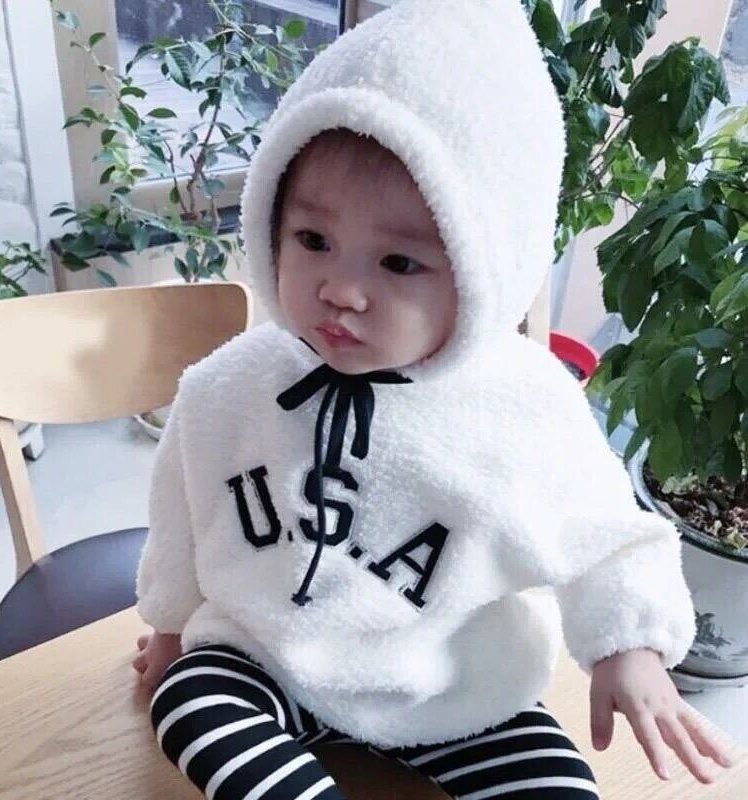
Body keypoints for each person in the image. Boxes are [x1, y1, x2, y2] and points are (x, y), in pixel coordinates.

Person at [132, 0, 737, 797]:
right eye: (313, 241)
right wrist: (170, 623)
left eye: (399, 263)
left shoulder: (521, 407)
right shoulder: (230, 384)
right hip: (266, 656)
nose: (342, 290)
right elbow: (181, 508)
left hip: (450, 690)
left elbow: (607, 537)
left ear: (486, 270)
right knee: (190, 696)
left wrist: (630, 645)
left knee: (562, 787)